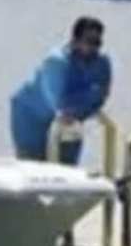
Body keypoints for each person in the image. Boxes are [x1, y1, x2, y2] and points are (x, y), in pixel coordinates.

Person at [10, 17, 112, 168]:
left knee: (67, 170)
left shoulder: (102, 63)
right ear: (75, 40)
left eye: (97, 43)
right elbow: (59, 103)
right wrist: (88, 97)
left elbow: (101, 97)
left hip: (71, 120)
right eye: (89, 41)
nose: (93, 48)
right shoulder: (57, 62)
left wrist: (81, 107)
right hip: (31, 117)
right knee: (34, 169)